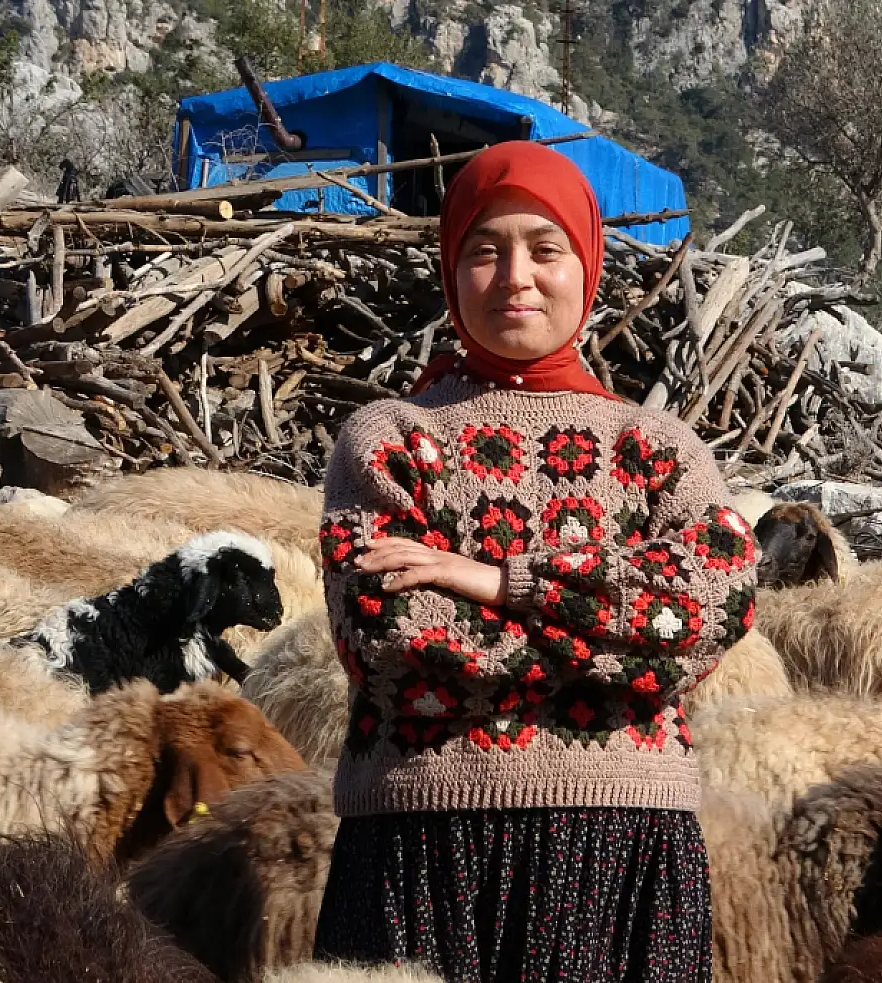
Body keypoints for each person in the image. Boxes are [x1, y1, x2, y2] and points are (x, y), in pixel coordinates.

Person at [313, 140, 757, 983]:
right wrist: (620, 650)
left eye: (545, 249)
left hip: (624, 851)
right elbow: (391, 637)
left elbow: (710, 605)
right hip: (419, 843)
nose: (516, 274)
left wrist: (494, 580)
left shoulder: (657, 447)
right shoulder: (390, 436)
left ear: (584, 266)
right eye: (485, 250)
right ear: (451, 271)